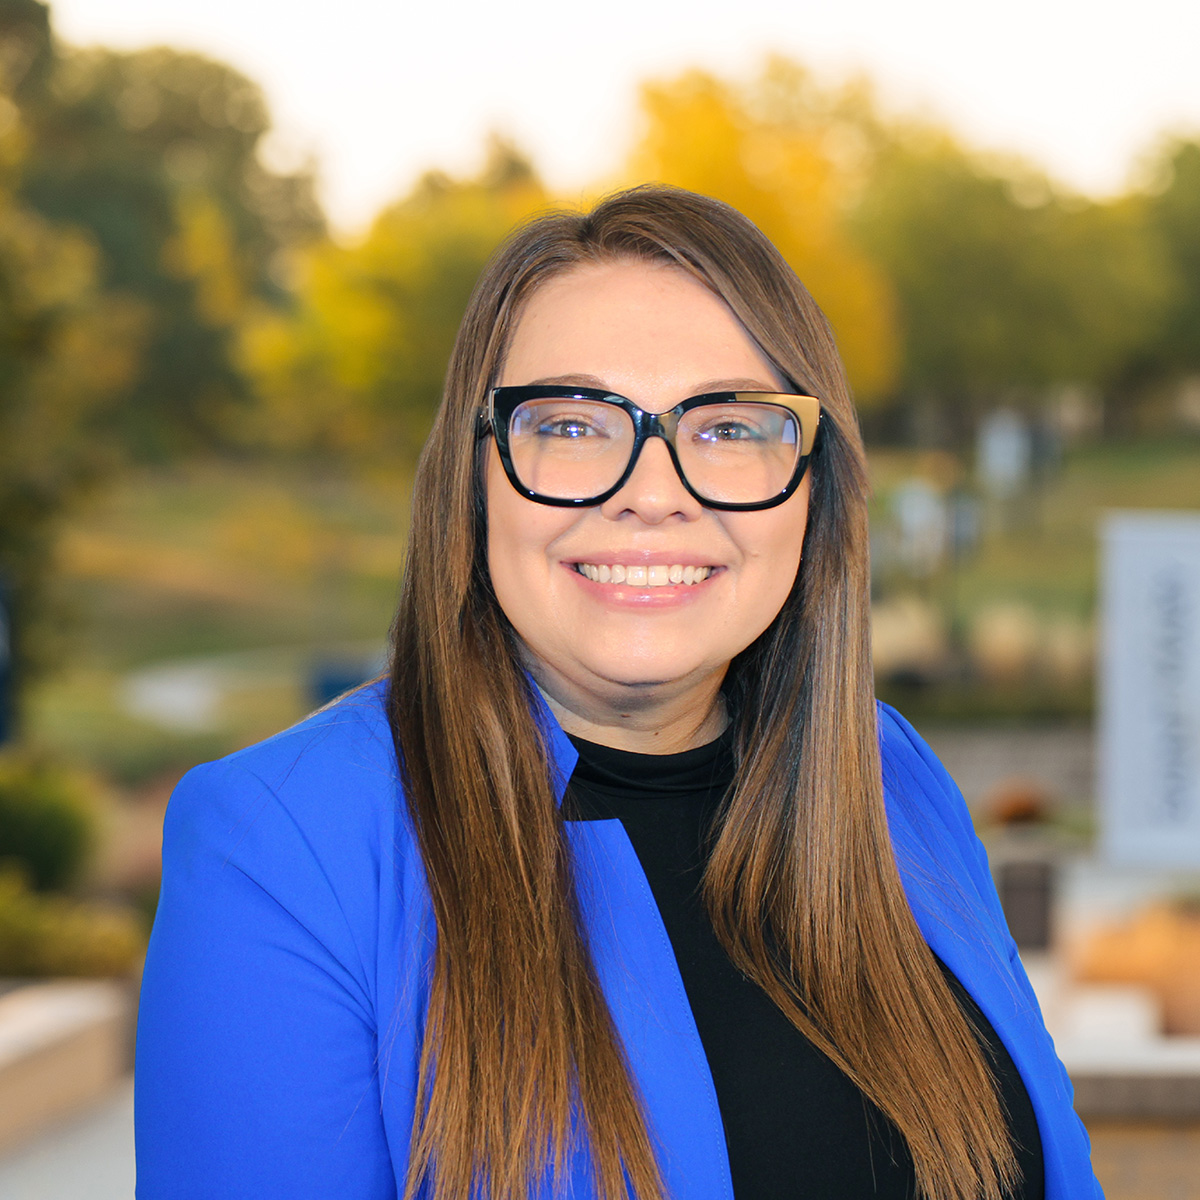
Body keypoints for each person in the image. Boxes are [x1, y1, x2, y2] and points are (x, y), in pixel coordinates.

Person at [134, 186, 1102, 1200]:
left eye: (728, 428)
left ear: (814, 489)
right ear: (474, 478)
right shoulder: (288, 844)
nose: (652, 490)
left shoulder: (891, 775)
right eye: (573, 422)